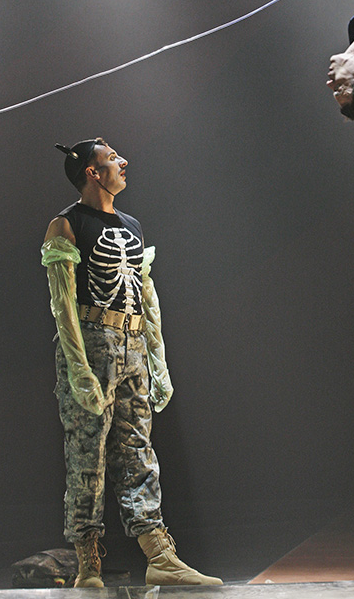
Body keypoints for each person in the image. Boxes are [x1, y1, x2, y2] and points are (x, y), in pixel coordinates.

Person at [41, 138, 222, 588]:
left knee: (138, 449)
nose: (123, 162)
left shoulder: (134, 227)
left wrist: (157, 358)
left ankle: (159, 554)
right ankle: (87, 563)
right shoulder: (65, 225)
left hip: (132, 341)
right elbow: (61, 303)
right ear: (91, 172)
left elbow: (146, 295)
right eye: (112, 159)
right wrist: (78, 367)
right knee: (88, 454)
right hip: (92, 341)